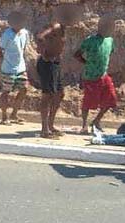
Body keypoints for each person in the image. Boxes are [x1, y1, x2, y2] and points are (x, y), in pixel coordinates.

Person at [35, 4, 74, 139]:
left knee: (59, 94)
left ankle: (50, 125)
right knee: (48, 96)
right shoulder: (55, 27)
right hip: (47, 64)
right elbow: (40, 37)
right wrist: (43, 52)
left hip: (55, 64)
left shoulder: (62, 29)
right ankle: (44, 130)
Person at [74, 16, 117, 134]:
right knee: (88, 102)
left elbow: (109, 53)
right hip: (91, 76)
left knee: (111, 99)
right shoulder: (90, 40)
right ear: (100, 27)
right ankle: (84, 126)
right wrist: (87, 63)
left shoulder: (110, 40)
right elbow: (77, 54)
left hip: (104, 75)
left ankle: (96, 121)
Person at [0, 11, 30, 125]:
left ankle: (14, 114)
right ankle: (4, 117)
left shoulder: (25, 33)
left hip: (21, 67)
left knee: (24, 89)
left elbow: (24, 49)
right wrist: (5, 62)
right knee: (6, 91)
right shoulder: (7, 34)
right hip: (8, 69)